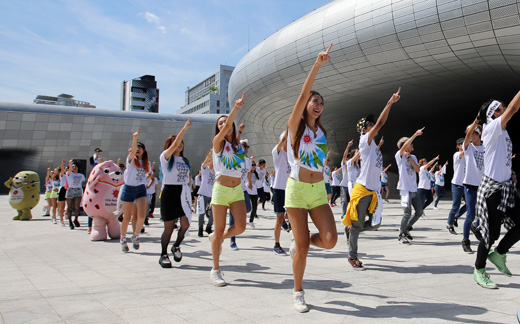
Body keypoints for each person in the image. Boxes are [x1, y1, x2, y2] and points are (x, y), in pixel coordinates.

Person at [286, 45, 337, 312]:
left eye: (321, 104)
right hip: (295, 190)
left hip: (317, 190)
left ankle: (300, 242)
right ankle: (298, 291)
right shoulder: (296, 125)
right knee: (303, 249)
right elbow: (303, 94)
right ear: (306, 105)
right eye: (315, 101)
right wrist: (317, 65)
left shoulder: (321, 133)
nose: (318, 106)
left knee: (329, 240)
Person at [344, 89, 401, 270]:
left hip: (374, 191)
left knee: (376, 224)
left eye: (372, 123)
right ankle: (352, 256)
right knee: (358, 225)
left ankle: (352, 229)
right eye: (370, 124)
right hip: (362, 190)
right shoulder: (364, 140)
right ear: (364, 129)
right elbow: (382, 122)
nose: (373, 125)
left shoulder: (373, 145)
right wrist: (389, 103)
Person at [473, 94, 520, 289]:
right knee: (491, 234)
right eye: (499, 109)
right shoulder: (492, 128)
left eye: (502, 108)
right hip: (492, 190)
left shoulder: (503, 133)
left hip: (506, 187)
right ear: (493, 115)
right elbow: (513, 108)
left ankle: (499, 253)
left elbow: (501, 158)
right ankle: (479, 270)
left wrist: (511, 174)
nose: (504, 110)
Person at [209, 93, 247, 286]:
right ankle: (215, 270)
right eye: (221, 123)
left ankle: (218, 239)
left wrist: (238, 131)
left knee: (240, 227)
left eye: (227, 122)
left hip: (237, 190)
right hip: (221, 190)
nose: (224, 124)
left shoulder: (238, 146)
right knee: (220, 228)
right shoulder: (218, 144)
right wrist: (235, 109)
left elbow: (236, 141)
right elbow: (225, 132)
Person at [158, 119, 192, 268]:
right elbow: (173, 145)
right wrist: (184, 129)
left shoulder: (185, 160)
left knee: (186, 224)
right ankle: (163, 254)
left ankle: (176, 245)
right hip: (169, 192)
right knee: (169, 227)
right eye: (177, 142)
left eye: (182, 142)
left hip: (182, 192)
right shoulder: (166, 157)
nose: (180, 144)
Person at [119, 129, 151, 252]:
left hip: (141, 189)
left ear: (144, 150)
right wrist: (135, 138)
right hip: (129, 188)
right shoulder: (131, 160)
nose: (137, 149)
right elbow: (132, 151)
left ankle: (135, 236)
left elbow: (148, 175)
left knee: (141, 216)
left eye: (140, 147)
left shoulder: (145, 163)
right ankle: (122, 239)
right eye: (135, 147)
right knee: (127, 217)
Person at [395, 127, 425, 244]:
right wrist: (415, 134)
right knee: (407, 213)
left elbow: (417, 170)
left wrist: (410, 158)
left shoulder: (413, 157)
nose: (412, 145)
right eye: (410, 143)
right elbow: (402, 148)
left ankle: (406, 228)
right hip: (405, 189)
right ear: (405, 145)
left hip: (414, 189)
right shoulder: (399, 155)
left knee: (419, 212)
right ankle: (401, 235)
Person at [462, 121, 484, 254]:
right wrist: (474, 124)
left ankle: (475, 227)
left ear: (479, 134)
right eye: (470, 133)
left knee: (488, 213)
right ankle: (465, 241)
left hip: (484, 185)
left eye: (474, 133)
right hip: (470, 185)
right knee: (470, 214)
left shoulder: (486, 148)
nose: (471, 135)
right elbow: (467, 136)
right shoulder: (468, 147)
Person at [271, 129, 291, 255]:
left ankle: (294, 239)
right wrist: (289, 128)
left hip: (291, 189)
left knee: (292, 215)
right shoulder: (277, 153)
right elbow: (283, 140)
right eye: (286, 142)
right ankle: (277, 245)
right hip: (279, 189)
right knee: (279, 218)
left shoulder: (293, 155)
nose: (288, 144)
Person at [447, 138, 467, 234]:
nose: (465, 145)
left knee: (470, 204)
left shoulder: (468, 156)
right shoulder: (457, 155)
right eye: (463, 144)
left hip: (466, 184)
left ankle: (456, 216)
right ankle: (449, 224)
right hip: (457, 184)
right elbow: (462, 153)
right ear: (458, 145)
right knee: (456, 205)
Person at [197, 150, 215, 237]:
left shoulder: (217, 172)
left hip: (213, 195)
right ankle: (200, 229)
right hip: (203, 194)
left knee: (213, 213)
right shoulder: (205, 170)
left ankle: (209, 227)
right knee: (201, 213)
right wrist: (209, 155)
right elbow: (204, 164)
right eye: (211, 160)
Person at [66, 159, 85, 230]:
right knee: (69, 207)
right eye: (73, 166)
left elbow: (81, 182)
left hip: (78, 190)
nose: (74, 167)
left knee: (77, 207)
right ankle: (70, 221)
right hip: (71, 189)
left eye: (75, 166)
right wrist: (70, 163)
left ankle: (76, 219)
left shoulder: (81, 175)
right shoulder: (70, 174)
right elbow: (69, 171)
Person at [340, 140, 354, 214]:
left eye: (348, 157)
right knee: (344, 201)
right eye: (346, 158)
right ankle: (344, 215)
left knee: (352, 201)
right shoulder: (344, 164)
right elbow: (344, 155)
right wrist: (348, 146)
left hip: (352, 185)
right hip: (344, 186)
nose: (347, 158)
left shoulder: (353, 165)